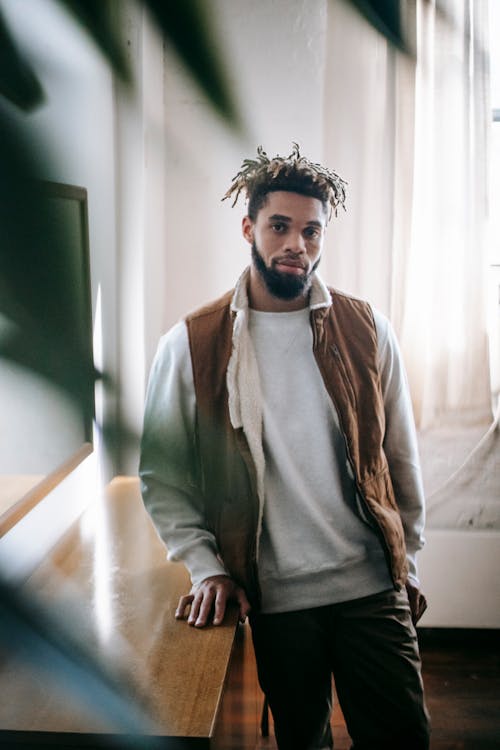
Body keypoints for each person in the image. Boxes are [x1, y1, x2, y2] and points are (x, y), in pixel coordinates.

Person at [139, 144, 431, 750]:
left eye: (311, 231)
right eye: (280, 226)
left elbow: (398, 455)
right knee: (303, 740)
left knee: (403, 737)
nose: (296, 244)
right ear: (249, 228)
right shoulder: (191, 344)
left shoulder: (365, 328)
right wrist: (206, 567)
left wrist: (409, 558)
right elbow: (162, 477)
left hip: (373, 585)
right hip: (277, 600)